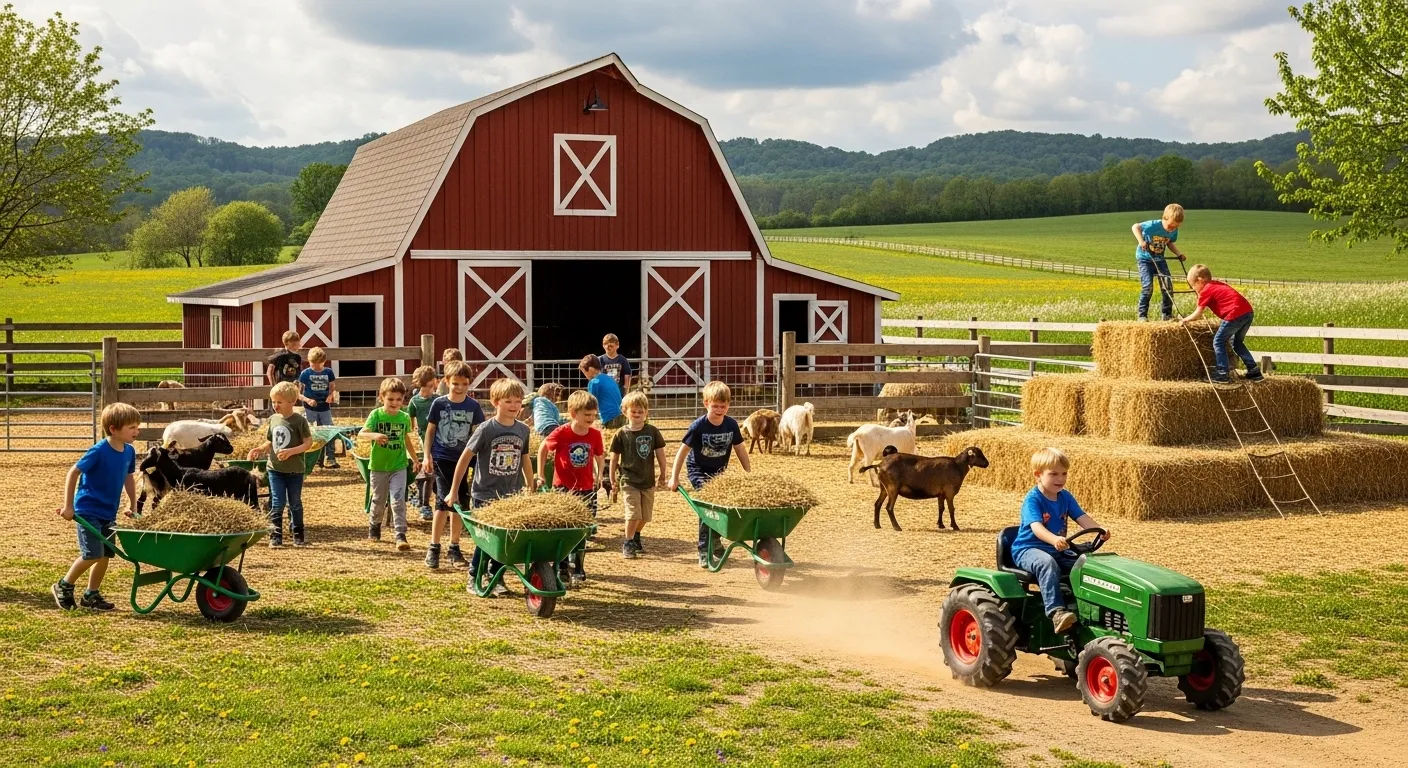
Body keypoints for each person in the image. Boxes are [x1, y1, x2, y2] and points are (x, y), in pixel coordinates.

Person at [448, 378, 533, 597]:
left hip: (511, 493)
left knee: (504, 540)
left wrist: (531, 485)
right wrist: (454, 490)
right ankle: (474, 574)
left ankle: (497, 577)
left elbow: (524, 458)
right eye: (508, 401)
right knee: (486, 538)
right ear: (496, 402)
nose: (514, 405)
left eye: (517, 401)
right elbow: (465, 459)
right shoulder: (486, 429)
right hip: (485, 493)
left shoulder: (523, 430)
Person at [1010, 448, 1110, 634]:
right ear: (1038, 475)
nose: (1060, 479)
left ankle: (1084, 609)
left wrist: (1100, 529)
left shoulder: (1065, 496)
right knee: (1047, 563)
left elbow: (1081, 517)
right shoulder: (1033, 499)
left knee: (1085, 565)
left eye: (1064, 473)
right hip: (1028, 549)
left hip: (1056, 548)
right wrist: (1054, 539)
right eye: (1054, 474)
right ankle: (1056, 612)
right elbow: (1037, 528)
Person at [52, 403, 141, 611]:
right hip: (88, 510)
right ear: (113, 429)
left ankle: (91, 594)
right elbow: (73, 472)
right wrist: (68, 506)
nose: (137, 431)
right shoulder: (100, 450)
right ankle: (63, 585)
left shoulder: (129, 451)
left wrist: (132, 504)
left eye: (137, 427)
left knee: (106, 555)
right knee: (92, 554)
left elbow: (129, 478)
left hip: (108, 511)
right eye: (132, 428)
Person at [668, 381, 751, 568]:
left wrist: (749, 474)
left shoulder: (730, 425)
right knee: (709, 507)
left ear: (728, 405)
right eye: (715, 406)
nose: (720, 410)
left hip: (719, 472)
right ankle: (704, 550)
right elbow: (682, 451)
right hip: (699, 470)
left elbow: (740, 450)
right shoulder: (698, 426)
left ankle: (715, 540)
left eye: (723, 406)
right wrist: (674, 477)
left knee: (722, 507)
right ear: (706, 403)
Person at [421, 360, 485, 569]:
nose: (459, 388)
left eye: (464, 384)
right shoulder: (439, 404)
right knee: (444, 501)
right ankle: (434, 546)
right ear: (447, 382)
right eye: (455, 383)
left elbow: (478, 433)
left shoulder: (473, 406)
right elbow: (430, 430)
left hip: (463, 459)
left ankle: (454, 546)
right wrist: (426, 455)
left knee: (460, 503)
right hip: (442, 457)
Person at [538, 390, 605, 585]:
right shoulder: (562, 432)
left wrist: (599, 474)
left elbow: (599, 456)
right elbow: (543, 448)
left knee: (582, 528)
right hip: (563, 488)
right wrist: (541, 474)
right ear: (574, 413)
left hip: (586, 488)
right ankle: (562, 565)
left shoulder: (595, 434)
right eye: (587, 415)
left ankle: (579, 566)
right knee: (564, 527)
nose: (591, 419)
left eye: (593, 415)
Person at [249, 381, 314, 548]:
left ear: (292, 402)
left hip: (295, 471)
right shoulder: (273, 419)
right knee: (277, 502)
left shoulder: (299, 421)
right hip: (275, 469)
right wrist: (260, 448)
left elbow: (308, 444)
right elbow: (270, 441)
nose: (275, 405)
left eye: (279, 402)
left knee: (295, 503)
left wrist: (291, 451)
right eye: (273, 402)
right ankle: (275, 536)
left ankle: (298, 534)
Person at [1180, 264, 1264, 384]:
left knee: (1218, 341)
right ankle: (1254, 371)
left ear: (1200, 280)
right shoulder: (1216, 284)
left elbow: (1198, 313)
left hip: (1234, 314)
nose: (1193, 288)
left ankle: (1222, 373)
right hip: (1247, 312)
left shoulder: (1206, 290)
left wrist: (1185, 320)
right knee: (1237, 343)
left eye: (1193, 285)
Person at [362, 377, 419, 551]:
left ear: (404, 399)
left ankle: (400, 534)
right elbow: (363, 433)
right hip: (379, 466)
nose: (395, 403)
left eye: (399, 399)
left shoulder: (404, 418)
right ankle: (375, 525)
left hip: (398, 465)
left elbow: (405, 439)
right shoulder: (376, 415)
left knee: (398, 500)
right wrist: (375, 436)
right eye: (390, 399)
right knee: (379, 499)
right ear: (382, 398)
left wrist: (415, 459)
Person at [609, 391, 668, 559]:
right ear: (625, 411)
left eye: (640, 411)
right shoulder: (621, 433)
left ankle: (635, 535)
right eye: (633, 411)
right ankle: (627, 542)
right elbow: (614, 458)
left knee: (645, 516)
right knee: (634, 513)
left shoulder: (652, 432)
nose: (637, 414)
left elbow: (660, 455)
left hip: (647, 479)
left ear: (646, 412)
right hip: (629, 480)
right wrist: (612, 479)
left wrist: (663, 474)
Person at [1131, 203, 1188, 322]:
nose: (1172, 229)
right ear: (1164, 218)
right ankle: (1142, 315)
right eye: (1170, 226)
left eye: (1175, 227)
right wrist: (1141, 241)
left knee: (1168, 286)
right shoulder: (1152, 225)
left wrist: (1178, 254)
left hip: (1160, 259)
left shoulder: (1174, 231)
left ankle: (1166, 314)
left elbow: (1169, 243)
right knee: (1148, 287)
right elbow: (1135, 227)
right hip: (1145, 259)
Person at [407, 365, 439, 522]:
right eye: (425, 387)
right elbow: (411, 423)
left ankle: (435, 502)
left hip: (439, 439)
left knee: (433, 473)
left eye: (430, 387)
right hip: (424, 439)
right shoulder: (414, 402)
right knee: (429, 470)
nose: (428, 391)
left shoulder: (438, 400)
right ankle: (425, 505)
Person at [297, 346, 339, 468]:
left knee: (328, 431)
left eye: (318, 364)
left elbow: (332, 386)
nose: (315, 366)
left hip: (324, 407)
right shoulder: (305, 374)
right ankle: (313, 458)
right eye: (312, 363)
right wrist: (308, 400)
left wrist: (331, 395)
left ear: (323, 362)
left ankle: (330, 458)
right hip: (310, 408)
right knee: (310, 432)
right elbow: (297, 393)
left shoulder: (328, 372)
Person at [581, 354, 623, 429]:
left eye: (584, 373)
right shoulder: (609, 378)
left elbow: (590, 405)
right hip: (621, 417)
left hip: (609, 420)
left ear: (590, 369)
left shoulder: (594, 382)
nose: (585, 376)